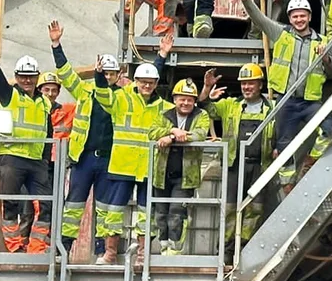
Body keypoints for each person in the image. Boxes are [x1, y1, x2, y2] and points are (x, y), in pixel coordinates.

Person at [236, 0, 328, 188]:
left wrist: (326, 59)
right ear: (290, 18)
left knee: (329, 129)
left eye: (302, 16)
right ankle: (287, 185)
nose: (299, 20)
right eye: (295, 16)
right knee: (284, 144)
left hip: (311, 101)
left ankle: (310, 161)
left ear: (309, 17)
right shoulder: (281, 34)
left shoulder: (323, 42)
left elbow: (331, 73)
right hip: (287, 100)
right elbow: (259, 18)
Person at [49, 22, 131, 255]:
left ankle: (101, 250)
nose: (108, 77)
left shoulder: (124, 96)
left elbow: (147, 91)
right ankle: (63, 249)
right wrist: (56, 45)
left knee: (105, 208)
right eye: (105, 73)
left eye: (112, 73)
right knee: (73, 205)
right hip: (84, 158)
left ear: (119, 75)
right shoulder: (85, 90)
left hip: (109, 159)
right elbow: (66, 74)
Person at [0, 27, 53, 254]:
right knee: (10, 203)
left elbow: (48, 133)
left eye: (31, 76)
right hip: (12, 158)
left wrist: (45, 160)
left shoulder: (44, 102)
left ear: (37, 77)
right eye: (23, 76)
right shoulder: (10, 95)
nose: (27, 80)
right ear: (17, 77)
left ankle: (36, 247)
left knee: (46, 204)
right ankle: (14, 247)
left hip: (36, 161)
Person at [97, 54, 173, 264]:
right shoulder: (121, 98)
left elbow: (185, 112)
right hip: (122, 165)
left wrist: (173, 134)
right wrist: (98, 75)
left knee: (146, 213)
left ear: (156, 83)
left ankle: (142, 254)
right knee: (114, 212)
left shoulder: (164, 107)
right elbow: (102, 96)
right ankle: (110, 253)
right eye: (143, 82)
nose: (147, 86)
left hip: (148, 167)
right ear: (136, 82)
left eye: (151, 82)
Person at [202, 64, 275, 244]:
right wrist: (207, 88)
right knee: (229, 209)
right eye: (243, 84)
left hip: (260, 167)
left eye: (251, 83)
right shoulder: (230, 105)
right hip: (234, 166)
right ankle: (226, 249)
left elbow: (284, 130)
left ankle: (243, 247)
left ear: (260, 85)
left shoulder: (273, 107)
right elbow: (203, 108)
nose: (246, 87)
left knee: (255, 209)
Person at [149, 79, 211, 255]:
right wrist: (172, 131)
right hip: (162, 174)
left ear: (194, 101)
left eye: (189, 99)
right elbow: (152, 132)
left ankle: (175, 251)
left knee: (177, 214)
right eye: (182, 99)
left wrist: (172, 138)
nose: (185, 103)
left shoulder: (201, 115)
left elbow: (200, 134)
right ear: (175, 99)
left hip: (185, 176)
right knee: (160, 214)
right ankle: (163, 249)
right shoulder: (164, 115)